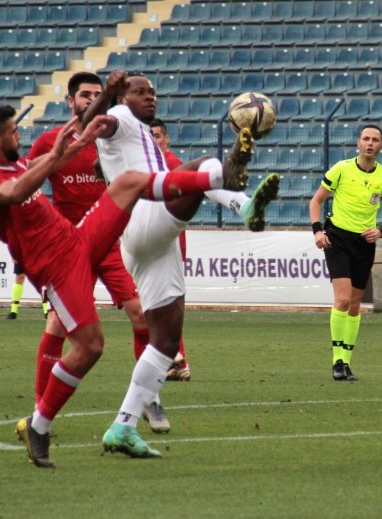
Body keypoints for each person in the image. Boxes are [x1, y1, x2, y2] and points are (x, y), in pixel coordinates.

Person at [0, 105, 248, 468]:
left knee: (128, 181)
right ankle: (39, 425)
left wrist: (75, 145)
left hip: (76, 239)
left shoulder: (14, 164)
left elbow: (42, 169)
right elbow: (15, 193)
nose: (17, 137)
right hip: (55, 268)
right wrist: (54, 155)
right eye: (12, 132)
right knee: (91, 346)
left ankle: (219, 179)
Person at [83, 70, 275, 458]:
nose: (150, 97)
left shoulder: (148, 139)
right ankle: (239, 194)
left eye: (152, 92)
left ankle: (123, 426)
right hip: (140, 218)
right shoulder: (119, 119)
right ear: (124, 97)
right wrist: (108, 94)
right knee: (203, 165)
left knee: (166, 342)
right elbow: (92, 123)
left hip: (151, 242)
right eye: (140, 92)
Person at [21, 72, 170, 433]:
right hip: (69, 247)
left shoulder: (109, 135)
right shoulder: (50, 141)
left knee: (140, 314)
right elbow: (27, 179)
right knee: (57, 324)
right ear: (70, 102)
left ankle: (149, 399)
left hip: (109, 240)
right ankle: (42, 409)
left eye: (96, 94)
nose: (90, 99)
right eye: (84, 95)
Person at [308, 124, 382, 381]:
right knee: (344, 299)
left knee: (356, 304)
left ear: (381, 146)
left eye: (375, 140)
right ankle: (337, 360)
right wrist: (317, 231)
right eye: (366, 139)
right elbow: (316, 201)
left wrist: (381, 230)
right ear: (358, 143)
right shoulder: (341, 169)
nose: (370, 143)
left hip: (364, 243)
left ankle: (346, 364)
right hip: (337, 239)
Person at [149, 118, 190, 381]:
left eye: (157, 136)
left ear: (166, 139)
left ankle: (175, 358)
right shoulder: (150, 164)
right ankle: (176, 360)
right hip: (156, 240)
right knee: (159, 302)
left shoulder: (172, 165)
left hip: (169, 241)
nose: (153, 141)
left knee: (159, 303)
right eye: (149, 136)